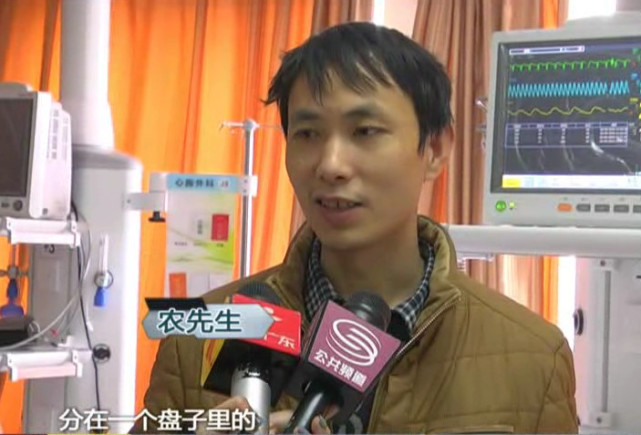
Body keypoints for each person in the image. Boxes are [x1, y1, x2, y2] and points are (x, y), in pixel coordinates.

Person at [131, 22, 578, 434]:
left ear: (436, 149)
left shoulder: (534, 359)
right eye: (307, 134)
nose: (330, 165)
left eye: (364, 131)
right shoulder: (198, 337)